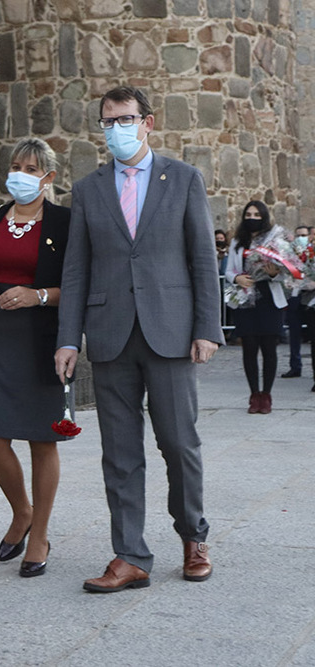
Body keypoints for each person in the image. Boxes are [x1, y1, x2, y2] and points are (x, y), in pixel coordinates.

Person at [55, 86, 223, 593]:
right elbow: (77, 269)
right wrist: (68, 338)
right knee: (120, 452)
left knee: (179, 443)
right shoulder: (88, 190)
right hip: (110, 335)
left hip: (171, 331)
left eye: (124, 120)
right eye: (107, 122)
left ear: (147, 122)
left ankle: (193, 537)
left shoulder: (184, 179)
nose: (115, 130)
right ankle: (129, 555)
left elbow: (202, 258)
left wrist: (207, 328)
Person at [0, 138, 70, 578]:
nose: (20, 174)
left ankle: (39, 534)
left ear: (48, 176)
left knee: (41, 440)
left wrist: (38, 295)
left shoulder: (65, 222)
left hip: (42, 339)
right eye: (16, 166)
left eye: (31, 168)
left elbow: (79, 285)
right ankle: (21, 511)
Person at [225, 202, 290, 412]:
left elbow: (284, 270)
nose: (252, 217)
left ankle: (267, 395)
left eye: (256, 214)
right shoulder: (238, 241)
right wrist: (237, 278)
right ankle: (254, 394)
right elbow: (229, 270)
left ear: (263, 216)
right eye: (248, 214)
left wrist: (273, 273)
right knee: (250, 348)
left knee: (269, 348)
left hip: (269, 298)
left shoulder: (275, 239)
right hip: (246, 296)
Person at [282, 225, 311, 379]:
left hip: (309, 297)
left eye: (304, 235)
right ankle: (295, 366)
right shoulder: (289, 254)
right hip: (294, 295)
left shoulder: (311, 253)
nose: (301, 238)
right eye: (298, 235)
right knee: (294, 334)